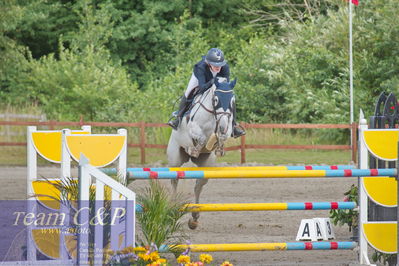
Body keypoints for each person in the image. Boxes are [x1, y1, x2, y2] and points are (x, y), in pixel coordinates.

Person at [167, 48, 245, 138]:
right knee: (188, 92)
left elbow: (225, 86)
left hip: (215, 81)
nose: (218, 67)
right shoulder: (200, 67)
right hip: (200, 80)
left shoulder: (225, 67)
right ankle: (178, 119)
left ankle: (233, 126)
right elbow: (202, 88)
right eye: (215, 64)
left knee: (229, 97)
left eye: (220, 64)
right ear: (208, 63)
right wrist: (212, 81)